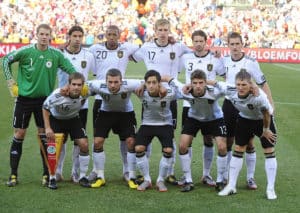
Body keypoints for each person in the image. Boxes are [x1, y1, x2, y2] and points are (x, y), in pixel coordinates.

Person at [2, 24, 77, 187]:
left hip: (45, 102)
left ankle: (46, 175)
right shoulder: (25, 51)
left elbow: (72, 70)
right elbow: (5, 60)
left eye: (47, 34)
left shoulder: (56, 54)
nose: (44, 37)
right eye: (41, 34)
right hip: (23, 99)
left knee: (45, 135)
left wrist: (74, 85)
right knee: (20, 133)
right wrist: (10, 82)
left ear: (51, 36)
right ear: (36, 35)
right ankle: (13, 175)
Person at [132, 18, 191, 185]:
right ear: (155, 31)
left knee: (170, 134)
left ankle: (170, 172)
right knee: (146, 134)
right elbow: (131, 57)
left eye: (166, 30)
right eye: (160, 30)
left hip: (169, 96)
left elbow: (195, 54)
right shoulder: (146, 47)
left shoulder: (178, 47)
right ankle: (145, 174)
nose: (163, 33)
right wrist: (144, 83)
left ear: (169, 31)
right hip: (149, 95)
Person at [222, 32, 275, 190]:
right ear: (228, 45)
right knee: (229, 141)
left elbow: (262, 82)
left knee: (250, 143)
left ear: (242, 44)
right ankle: (228, 177)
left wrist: (271, 103)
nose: (235, 47)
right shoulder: (224, 60)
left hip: (247, 105)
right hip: (230, 104)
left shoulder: (251, 62)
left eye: (238, 44)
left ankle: (250, 178)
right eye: (232, 44)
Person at [216, 70, 277, 200]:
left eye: (244, 85)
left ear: (251, 85)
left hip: (263, 121)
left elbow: (266, 113)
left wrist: (266, 129)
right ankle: (231, 186)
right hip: (244, 119)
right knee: (238, 149)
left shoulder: (258, 96)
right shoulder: (230, 90)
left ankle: (270, 189)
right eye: (238, 84)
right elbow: (214, 83)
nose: (240, 87)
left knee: (269, 151)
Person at [89, 25, 139, 182]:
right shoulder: (95, 49)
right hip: (101, 99)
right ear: (105, 35)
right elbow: (81, 54)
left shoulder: (127, 48)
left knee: (127, 139)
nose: (111, 37)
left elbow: (141, 48)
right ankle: (96, 170)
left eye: (114, 34)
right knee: (97, 137)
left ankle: (127, 170)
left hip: (122, 98)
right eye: (109, 34)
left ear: (119, 36)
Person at [164, 70, 228, 192]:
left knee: (222, 147)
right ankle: (188, 180)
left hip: (214, 118)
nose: (198, 86)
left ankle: (219, 181)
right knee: (183, 146)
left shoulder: (214, 91)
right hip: (194, 118)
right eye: (195, 83)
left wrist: (212, 82)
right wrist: (144, 84)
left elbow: (229, 87)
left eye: (201, 83)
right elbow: (168, 78)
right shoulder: (185, 91)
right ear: (191, 83)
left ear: (205, 83)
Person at [179, 30, 225, 187]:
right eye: (195, 41)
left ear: (206, 42)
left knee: (208, 140)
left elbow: (225, 75)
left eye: (201, 41)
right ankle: (187, 176)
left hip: (209, 103)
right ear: (192, 42)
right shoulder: (185, 57)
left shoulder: (214, 58)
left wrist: (221, 57)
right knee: (187, 142)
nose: (198, 44)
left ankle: (206, 174)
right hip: (189, 104)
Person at [86, 68, 143, 189]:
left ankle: (131, 175)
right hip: (105, 113)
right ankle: (100, 176)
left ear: (121, 81)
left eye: (116, 82)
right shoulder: (98, 85)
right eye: (110, 82)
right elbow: (81, 84)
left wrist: (143, 85)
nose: (112, 85)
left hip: (126, 113)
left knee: (131, 142)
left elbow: (147, 81)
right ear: (105, 81)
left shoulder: (130, 84)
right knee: (97, 142)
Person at [56, 25, 96, 183]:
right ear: (69, 37)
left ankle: (75, 172)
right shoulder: (59, 53)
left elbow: (94, 75)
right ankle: (57, 171)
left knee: (79, 140)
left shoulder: (89, 55)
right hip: (62, 103)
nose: (78, 39)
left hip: (81, 105)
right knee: (61, 138)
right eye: (75, 36)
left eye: (80, 36)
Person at [42, 72, 91, 189]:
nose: (76, 87)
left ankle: (83, 177)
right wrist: (48, 128)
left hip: (73, 119)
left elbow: (100, 86)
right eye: (73, 84)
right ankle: (52, 178)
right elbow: (45, 107)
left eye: (79, 85)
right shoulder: (58, 95)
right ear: (68, 84)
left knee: (84, 144)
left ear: (83, 85)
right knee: (53, 147)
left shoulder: (86, 92)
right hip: (57, 120)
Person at [135, 70, 177, 192]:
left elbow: (178, 85)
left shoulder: (169, 93)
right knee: (138, 148)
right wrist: (142, 84)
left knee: (168, 150)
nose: (151, 85)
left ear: (159, 83)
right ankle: (147, 180)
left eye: (154, 82)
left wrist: (165, 83)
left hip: (165, 124)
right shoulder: (140, 91)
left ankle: (160, 180)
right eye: (149, 83)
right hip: (147, 124)